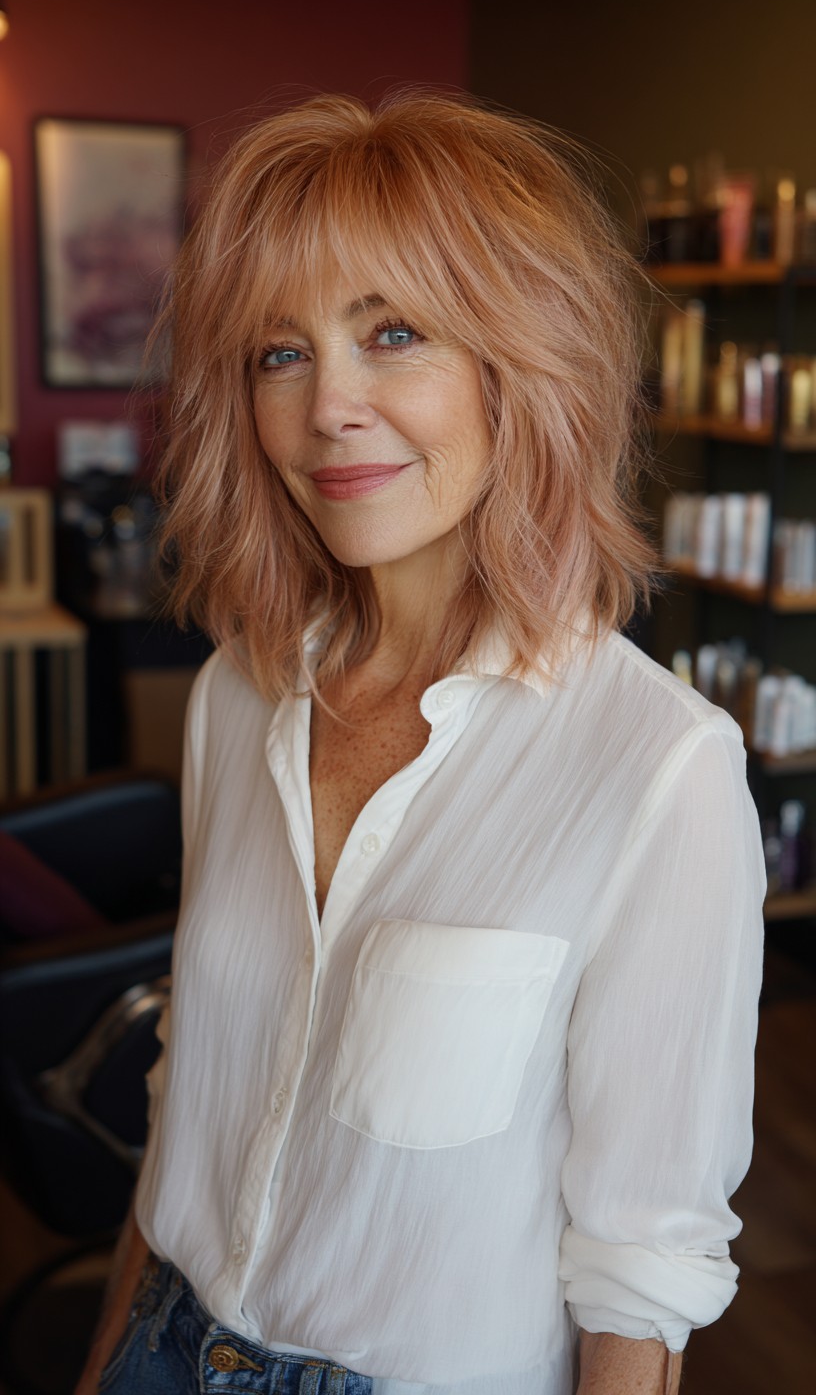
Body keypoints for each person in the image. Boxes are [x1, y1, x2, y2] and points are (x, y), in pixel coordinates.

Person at [77, 92, 765, 1395]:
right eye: (281, 353)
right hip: (159, 1340)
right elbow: (193, 1097)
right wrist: (110, 1356)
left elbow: (643, 1270)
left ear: (524, 362)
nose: (330, 406)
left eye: (393, 333)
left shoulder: (657, 769)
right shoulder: (238, 697)